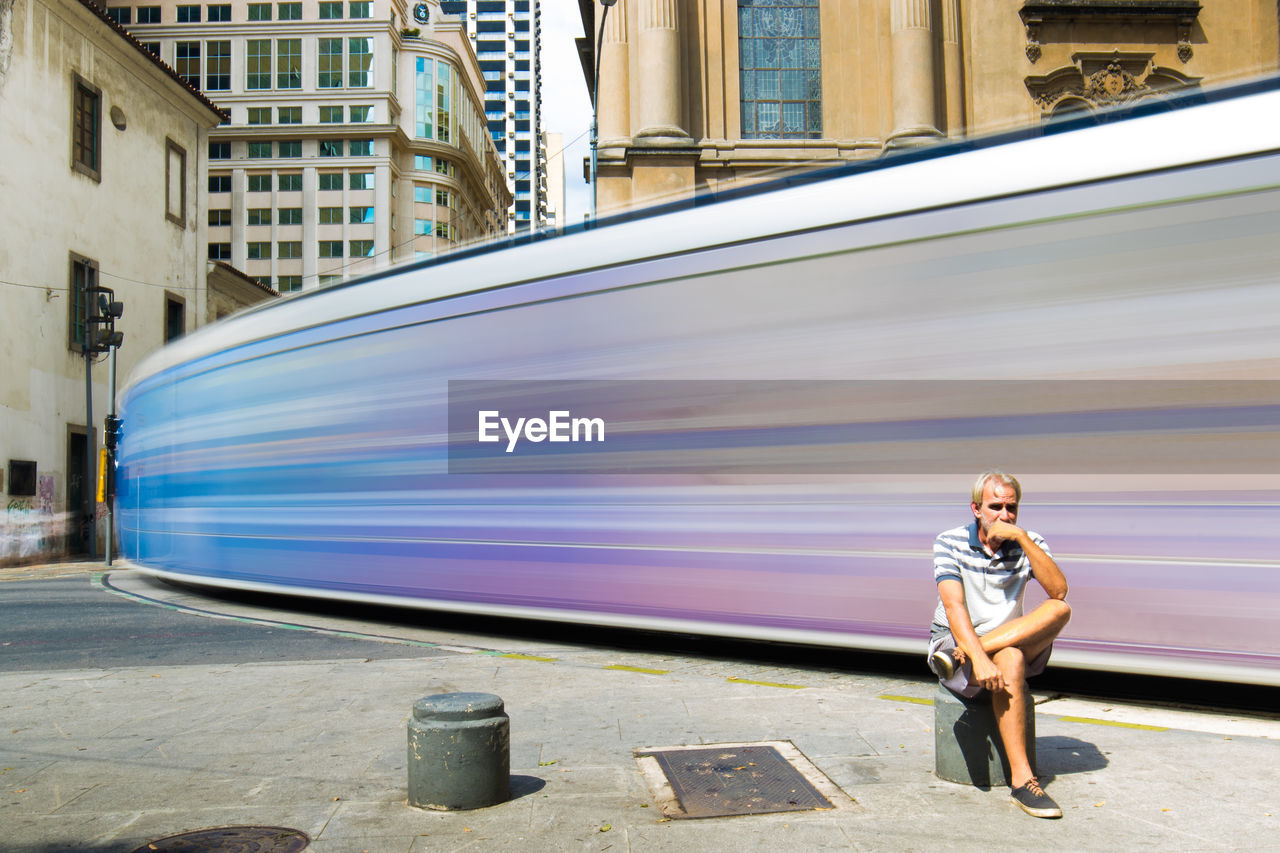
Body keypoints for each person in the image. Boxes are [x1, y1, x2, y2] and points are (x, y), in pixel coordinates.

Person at [927, 470, 1072, 818]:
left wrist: (1022, 538)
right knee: (1010, 661)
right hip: (955, 641)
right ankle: (1024, 781)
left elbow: (1059, 591)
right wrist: (978, 656)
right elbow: (954, 607)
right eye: (995, 507)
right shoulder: (949, 542)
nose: (1004, 516)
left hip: (982, 648)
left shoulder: (1029, 541)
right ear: (976, 508)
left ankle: (977, 651)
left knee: (1060, 610)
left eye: (1012, 508)